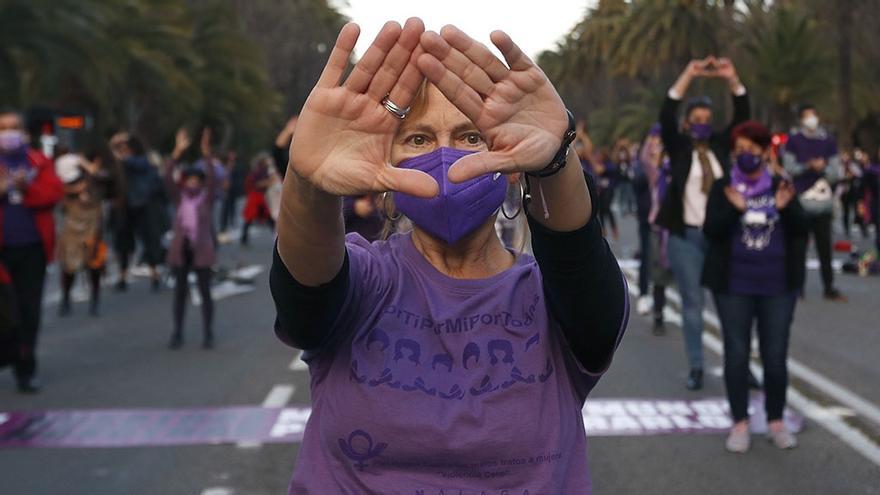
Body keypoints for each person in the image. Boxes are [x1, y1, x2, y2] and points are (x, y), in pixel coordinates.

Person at [270, 20, 627, 493]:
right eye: (418, 139)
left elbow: (582, 272)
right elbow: (304, 297)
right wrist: (308, 182)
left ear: (513, 168)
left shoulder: (552, 301)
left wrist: (556, 160)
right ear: (386, 168)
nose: (446, 157)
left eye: (470, 137)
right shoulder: (367, 281)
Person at [703, 121, 807, 452]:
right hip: (734, 286)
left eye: (753, 149)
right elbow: (711, 231)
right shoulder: (723, 187)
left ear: (765, 151)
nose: (746, 156)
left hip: (778, 286)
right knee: (736, 354)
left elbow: (802, 228)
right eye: (740, 151)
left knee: (775, 356)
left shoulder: (781, 186)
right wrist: (734, 211)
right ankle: (740, 423)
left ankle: (775, 421)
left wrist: (785, 208)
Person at [656, 56, 750, 390]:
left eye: (707, 119)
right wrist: (689, 73)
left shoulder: (721, 148)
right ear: (687, 123)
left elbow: (743, 115)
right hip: (686, 238)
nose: (703, 124)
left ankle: (740, 365)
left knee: (732, 304)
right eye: (696, 119)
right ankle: (696, 365)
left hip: (721, 237)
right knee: (693, 304)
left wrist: (731, 78)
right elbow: (667, 112)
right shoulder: (679, 149)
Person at [0, 108, 64, 393]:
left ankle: (26, 369)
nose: (8, 133)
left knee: (29, 312)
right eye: (3, 128)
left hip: (32, 249)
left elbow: (53, 195)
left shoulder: (39, 162)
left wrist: (27, 187)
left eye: (13, 127)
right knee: (5, 311)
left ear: (24, 132)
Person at [783, 104, 845, 301]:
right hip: (802, 200)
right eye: (807, 116)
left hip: (823, 201)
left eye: (814, 115)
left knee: (825, 247)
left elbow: (836, 172)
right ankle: (797, 287)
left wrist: (823, 168)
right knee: (798, 248)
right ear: (801, 119)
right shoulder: (794, 141)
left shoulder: (828, 141)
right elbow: (789, 168)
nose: (811, 120)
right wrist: (808, 166)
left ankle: (829, 286)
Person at [164, 128, 217, 350]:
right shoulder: (179, 198)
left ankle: (208, 332)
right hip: (181, 249)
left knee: (205, 292)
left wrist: (206, 153)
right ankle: (177, 332)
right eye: (191, 180)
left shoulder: (206, 199)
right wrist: (177, 151)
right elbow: (167, 176)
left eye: (198, 180)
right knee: (179, 293)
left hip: (202, 250)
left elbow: (213, 178)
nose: (194, 183)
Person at [55, 153, 109, 317]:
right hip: (71, 231)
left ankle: (95, 301)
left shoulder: (93, 181)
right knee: (69, 267)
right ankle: (65, 299)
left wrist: (88, 167)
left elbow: (106, 180)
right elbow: (56, 195)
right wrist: (71, 190)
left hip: (93, 230)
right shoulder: (62, 188)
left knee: (94, 266)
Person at [109, 132, 163, 292]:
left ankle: (154, 274)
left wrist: (114, 146)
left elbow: (127, 162)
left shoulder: (141, 161)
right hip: (127, 206)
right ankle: (123, 276)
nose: (123, 151)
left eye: (126, 147)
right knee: (124, 242)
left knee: (148, 240)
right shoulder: (128, 162)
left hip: (141, 205)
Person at [240, 152, 275, 246]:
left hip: (259, 196)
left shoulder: (264, 171)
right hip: (255, 196)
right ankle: (243, 238)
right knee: (250, 218)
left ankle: (276, 236)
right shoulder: (258, 172)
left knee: (268, 218)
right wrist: (268, 182)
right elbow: (257, 184)